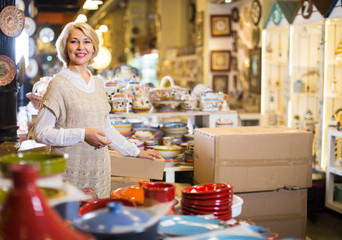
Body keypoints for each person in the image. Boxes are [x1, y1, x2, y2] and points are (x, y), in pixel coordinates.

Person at [33, 22, 161, 198]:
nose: (81, 47)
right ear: (65, 46)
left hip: (99, 170)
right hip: (68, 172)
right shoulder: (58, 84)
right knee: (69, 221)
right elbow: (40, 133)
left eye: (86, 41)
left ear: (93, 47)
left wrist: (137, 152)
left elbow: (106, 128)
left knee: (96, 221)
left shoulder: (99, 83)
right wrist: (83, 134)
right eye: (74, 41)